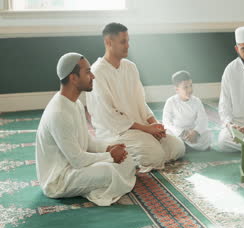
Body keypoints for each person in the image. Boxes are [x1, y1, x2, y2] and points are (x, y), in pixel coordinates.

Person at [36, 52, 136, 206]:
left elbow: (87, 140)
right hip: (60, 179)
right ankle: (98, 189)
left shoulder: (74, 103)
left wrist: (108, 148)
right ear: (73, 78)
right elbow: (77, 160)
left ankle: (99, 187)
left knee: (127, 159)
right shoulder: (59, 112)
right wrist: (110, 156)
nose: (93, 76)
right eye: (88, 72)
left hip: (77, 167)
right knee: (108, 171)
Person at [86, 22, 185, 172]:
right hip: (115, 132)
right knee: (155, 156)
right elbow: (110, 117)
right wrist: (147, 129)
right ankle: (113, 151)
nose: (128, 46)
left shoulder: (130, 67)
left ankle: (146, 149)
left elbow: (140, 102)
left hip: (140, 127)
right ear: (108, 42)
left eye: (128, 41)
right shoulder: (97, 72)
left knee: (178, 147)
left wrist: (155, 125)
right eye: (123, 42)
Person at [162, 70, 212, 151]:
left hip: (193, 132)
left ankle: (185, 146)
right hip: (178, 133)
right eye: (185, 87)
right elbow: (166, 122)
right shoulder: (170, 102)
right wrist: (182, 132)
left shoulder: (196, 101)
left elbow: (203, 119)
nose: (190, 90)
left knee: (207, 134)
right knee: (167, 135)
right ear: (177, 89)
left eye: (191, 86)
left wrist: (196, 132)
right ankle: (185, 145)